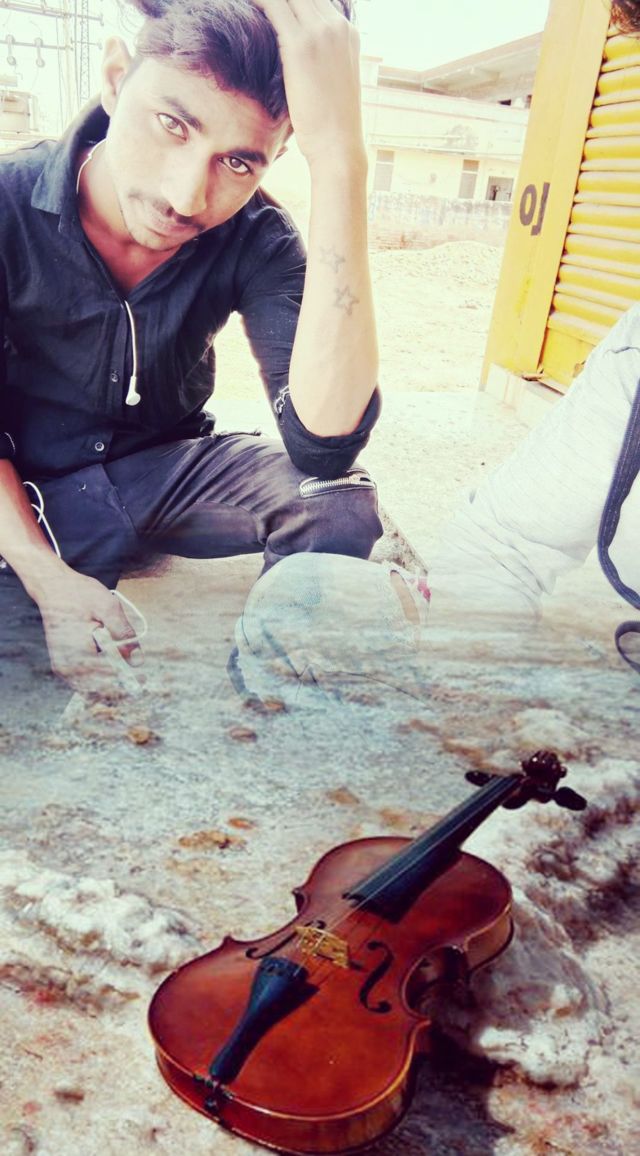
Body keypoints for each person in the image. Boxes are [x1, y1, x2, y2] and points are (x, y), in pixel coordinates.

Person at [0, 0, 382, 704]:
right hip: (25, 494)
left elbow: (325, 442)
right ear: (115, 77)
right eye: (172, 124)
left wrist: (341, 162)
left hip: (161, 474)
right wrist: (46, 577)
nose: (185, 196)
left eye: (237, 162)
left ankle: (266, 702)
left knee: (336, 501)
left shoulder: (258, 236)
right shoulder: (6, 205)